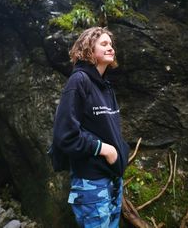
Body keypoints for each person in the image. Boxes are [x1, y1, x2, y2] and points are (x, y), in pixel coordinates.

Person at [53, 26, 130, 228]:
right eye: (104, 44)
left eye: (111, 44)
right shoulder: (79, 81)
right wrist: (106, 149)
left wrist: (122, 150)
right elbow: (65, 135)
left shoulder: (106, 87)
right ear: (88, 49)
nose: (111, 48)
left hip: (113, 180)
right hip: (91, 184)